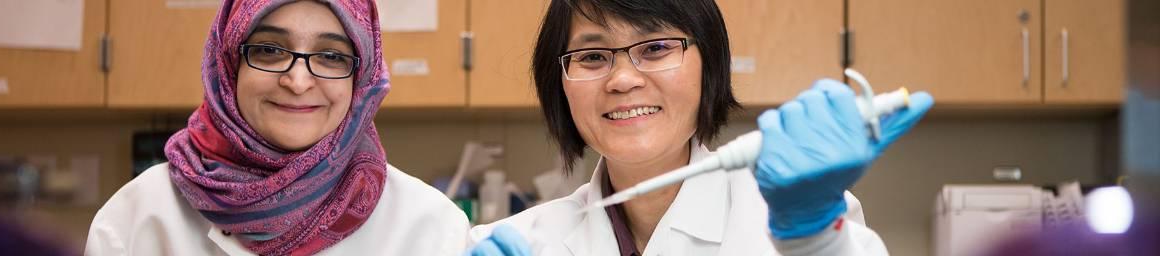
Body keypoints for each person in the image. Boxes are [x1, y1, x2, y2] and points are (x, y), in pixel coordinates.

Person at [467, 0, 934, 255]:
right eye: (592, 56)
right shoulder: (518, 245)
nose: (624, 79)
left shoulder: (803, 222)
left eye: (656, 48)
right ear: (560, 86)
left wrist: (815, 243)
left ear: (709, 68)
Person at [85, 1, 468, 255]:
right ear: (229, 63)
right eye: (269, 49)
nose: (298, 81)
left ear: (362, 76)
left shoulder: (429, 227)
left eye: (331, 56)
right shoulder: (137, 218)